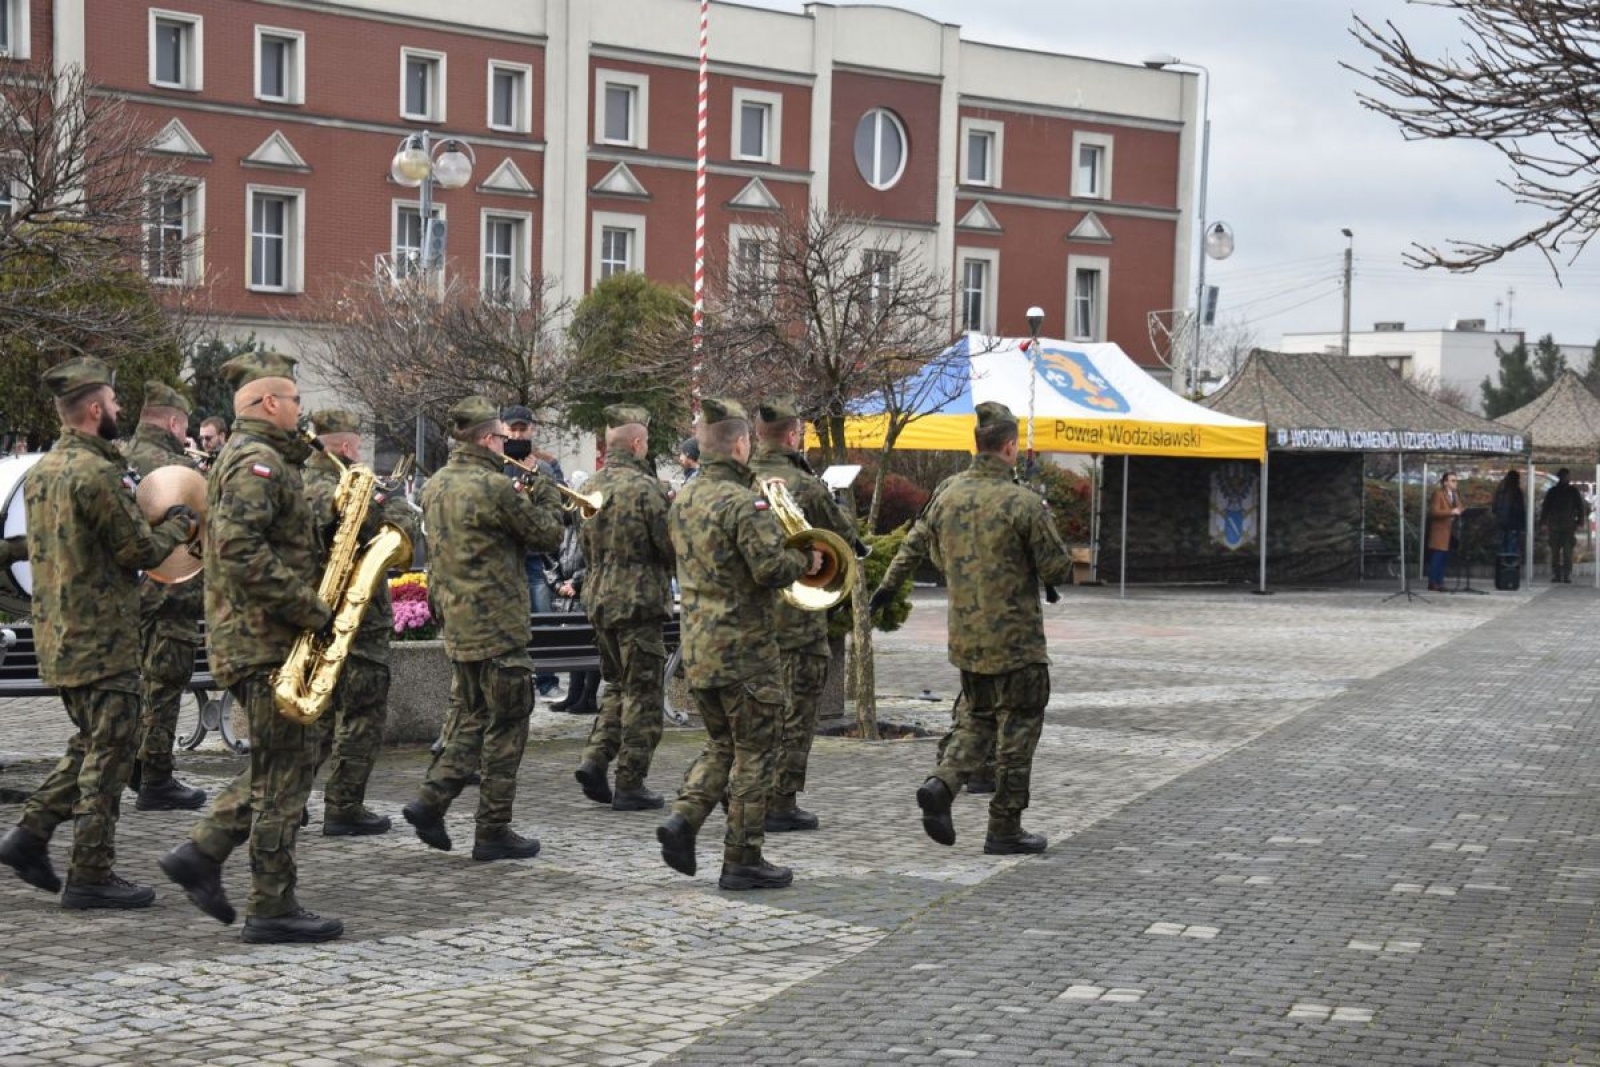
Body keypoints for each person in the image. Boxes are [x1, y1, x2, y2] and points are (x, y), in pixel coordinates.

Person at [158, 351, 342, 944]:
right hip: (265, 642)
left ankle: (203, 853)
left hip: (265, 640)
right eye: (293, 400)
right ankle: (271, 905)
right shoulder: (257, 462)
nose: (299, 410)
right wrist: (311, 608)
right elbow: (239, 550)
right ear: (268, 403)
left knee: (279, 767)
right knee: (285, 775)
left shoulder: (258, 459)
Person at [0, 357, 197, 908]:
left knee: (93, 743)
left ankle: (29, 835)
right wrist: (181, 523)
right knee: (111, 755)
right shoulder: (98, 473)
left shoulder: (43, 472)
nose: (118, 412)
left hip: (59, 635)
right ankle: (90, 873)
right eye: (112, 403)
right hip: (103, 639)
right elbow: (139, 550)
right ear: (93, 409)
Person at [870, 401, 1072, 855]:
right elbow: (1057, 566)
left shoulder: (947, 492)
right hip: (1017, 643)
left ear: (976, 444)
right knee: (1019, 727)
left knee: (975, 718)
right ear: (1010, 446)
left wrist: (884, 589)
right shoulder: (1023, 501)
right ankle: (1004, 827)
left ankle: (943, 782)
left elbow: (912, 543)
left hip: (967, 640)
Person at [656, 398, 818, 891]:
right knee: (755, 753)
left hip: (699, 649)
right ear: (741, 444)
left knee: (722, 745)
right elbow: (770, 569)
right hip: (746, 651)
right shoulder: (744, 503)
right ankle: (742, 858)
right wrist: (806, 562)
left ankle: (684, 819)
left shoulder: (684, 499)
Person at [401, 396, 564, 862]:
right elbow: (547, 534)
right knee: (509, 722)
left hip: (458, 620)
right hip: (497, 622)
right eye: (498, 437)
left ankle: (431, 801)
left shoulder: (435, 485)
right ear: (488, 438)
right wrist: (547, 491)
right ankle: (492, 828)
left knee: (473, 716)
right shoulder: (493, 486)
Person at [303, 409, 422, 837]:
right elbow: (404, 524)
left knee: (314, 714)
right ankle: (344, 806)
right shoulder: (356, 485)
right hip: (360, 616)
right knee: (362, 713)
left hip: (309, 613)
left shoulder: (293, 483)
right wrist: (386, 502)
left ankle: (290, 798)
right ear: (349, 446)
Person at [747, 397, 858, 832]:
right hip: (799, 618)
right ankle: (781, 801)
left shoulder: (739, 482)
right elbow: (845, 537)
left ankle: (746, 792)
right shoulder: (806, 486)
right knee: (797, 711)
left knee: (756, 710)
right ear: (793, 436)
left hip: (752, 620)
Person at [573, 405, 675, 811]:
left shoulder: (591, 487)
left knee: (617, 685)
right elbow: (669, 547)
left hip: (599, 601)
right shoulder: (647, 489)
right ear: (637, 444)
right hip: (639, 604)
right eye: (646, 441)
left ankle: (595, 759)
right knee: (644, 695)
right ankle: (630, 781)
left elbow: (583, 547)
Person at [123, 380, 208, 812]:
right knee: (166, 685)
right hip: (173, 593)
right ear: (175, 422)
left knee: (135, 682)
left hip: (129, 595)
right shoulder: (179, 466)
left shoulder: (118, 458)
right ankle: (157, 777)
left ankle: (134, 766)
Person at [503, 403, 562, 698]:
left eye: (521, 429)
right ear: (502, 429)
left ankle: (547, 680)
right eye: (511, 429)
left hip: (534, 557)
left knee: (542, 618)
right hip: (503, 557)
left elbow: (560, 506)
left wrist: (539, 475)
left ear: (531, 429)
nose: (516, 434)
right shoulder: (493, 463)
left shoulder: (547, 464)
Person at [547, 482, 600, 717]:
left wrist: (575, 583)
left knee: (588, 646)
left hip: (583, 593)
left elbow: (593, 559)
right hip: (565, 595)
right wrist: (558, 584)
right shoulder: (563, 529)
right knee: (574, 648)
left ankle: (588, 696)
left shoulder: (586, 526)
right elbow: (549, 559)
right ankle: (574, 693)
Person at [1540, 467, 1588, 583]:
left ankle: (1566, 575)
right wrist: (1543, 523)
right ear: (1560, 477)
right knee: (1555, 552)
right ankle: (1557, 574)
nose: (1566, 478)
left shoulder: (1573, 491)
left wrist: (1580, 522)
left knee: (1567, 552)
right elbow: (1545, 508)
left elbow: (1580, 508)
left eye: (1567, 476)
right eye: (1565, 476)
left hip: (1568, 526)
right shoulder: (1553, 491)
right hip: (1555, 526)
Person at [1425, 471, 1463, 592]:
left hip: (1450, 530)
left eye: (1456, 481)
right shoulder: (1438, 494)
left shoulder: (1454, 494)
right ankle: (1433, 581)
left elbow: (1460, 507)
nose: (1455, 483)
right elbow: (1434, 511)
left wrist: (1460, 511)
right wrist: (1450, 512)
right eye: (1453, 480)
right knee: (1438, 557)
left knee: (1444, 557)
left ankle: (1440, 581)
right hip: (1440, 530)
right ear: (1445, 482)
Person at [1492, 470, 1526, 558]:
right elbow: (1520, 509)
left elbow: (1494, 507)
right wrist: (1523, 524)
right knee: (1512, 548)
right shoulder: (1516, 491)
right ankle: (1510, 567)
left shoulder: (1501, 490)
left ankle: (1503, 567)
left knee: (1503, 546)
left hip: (1502, 522)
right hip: (1513, 523)